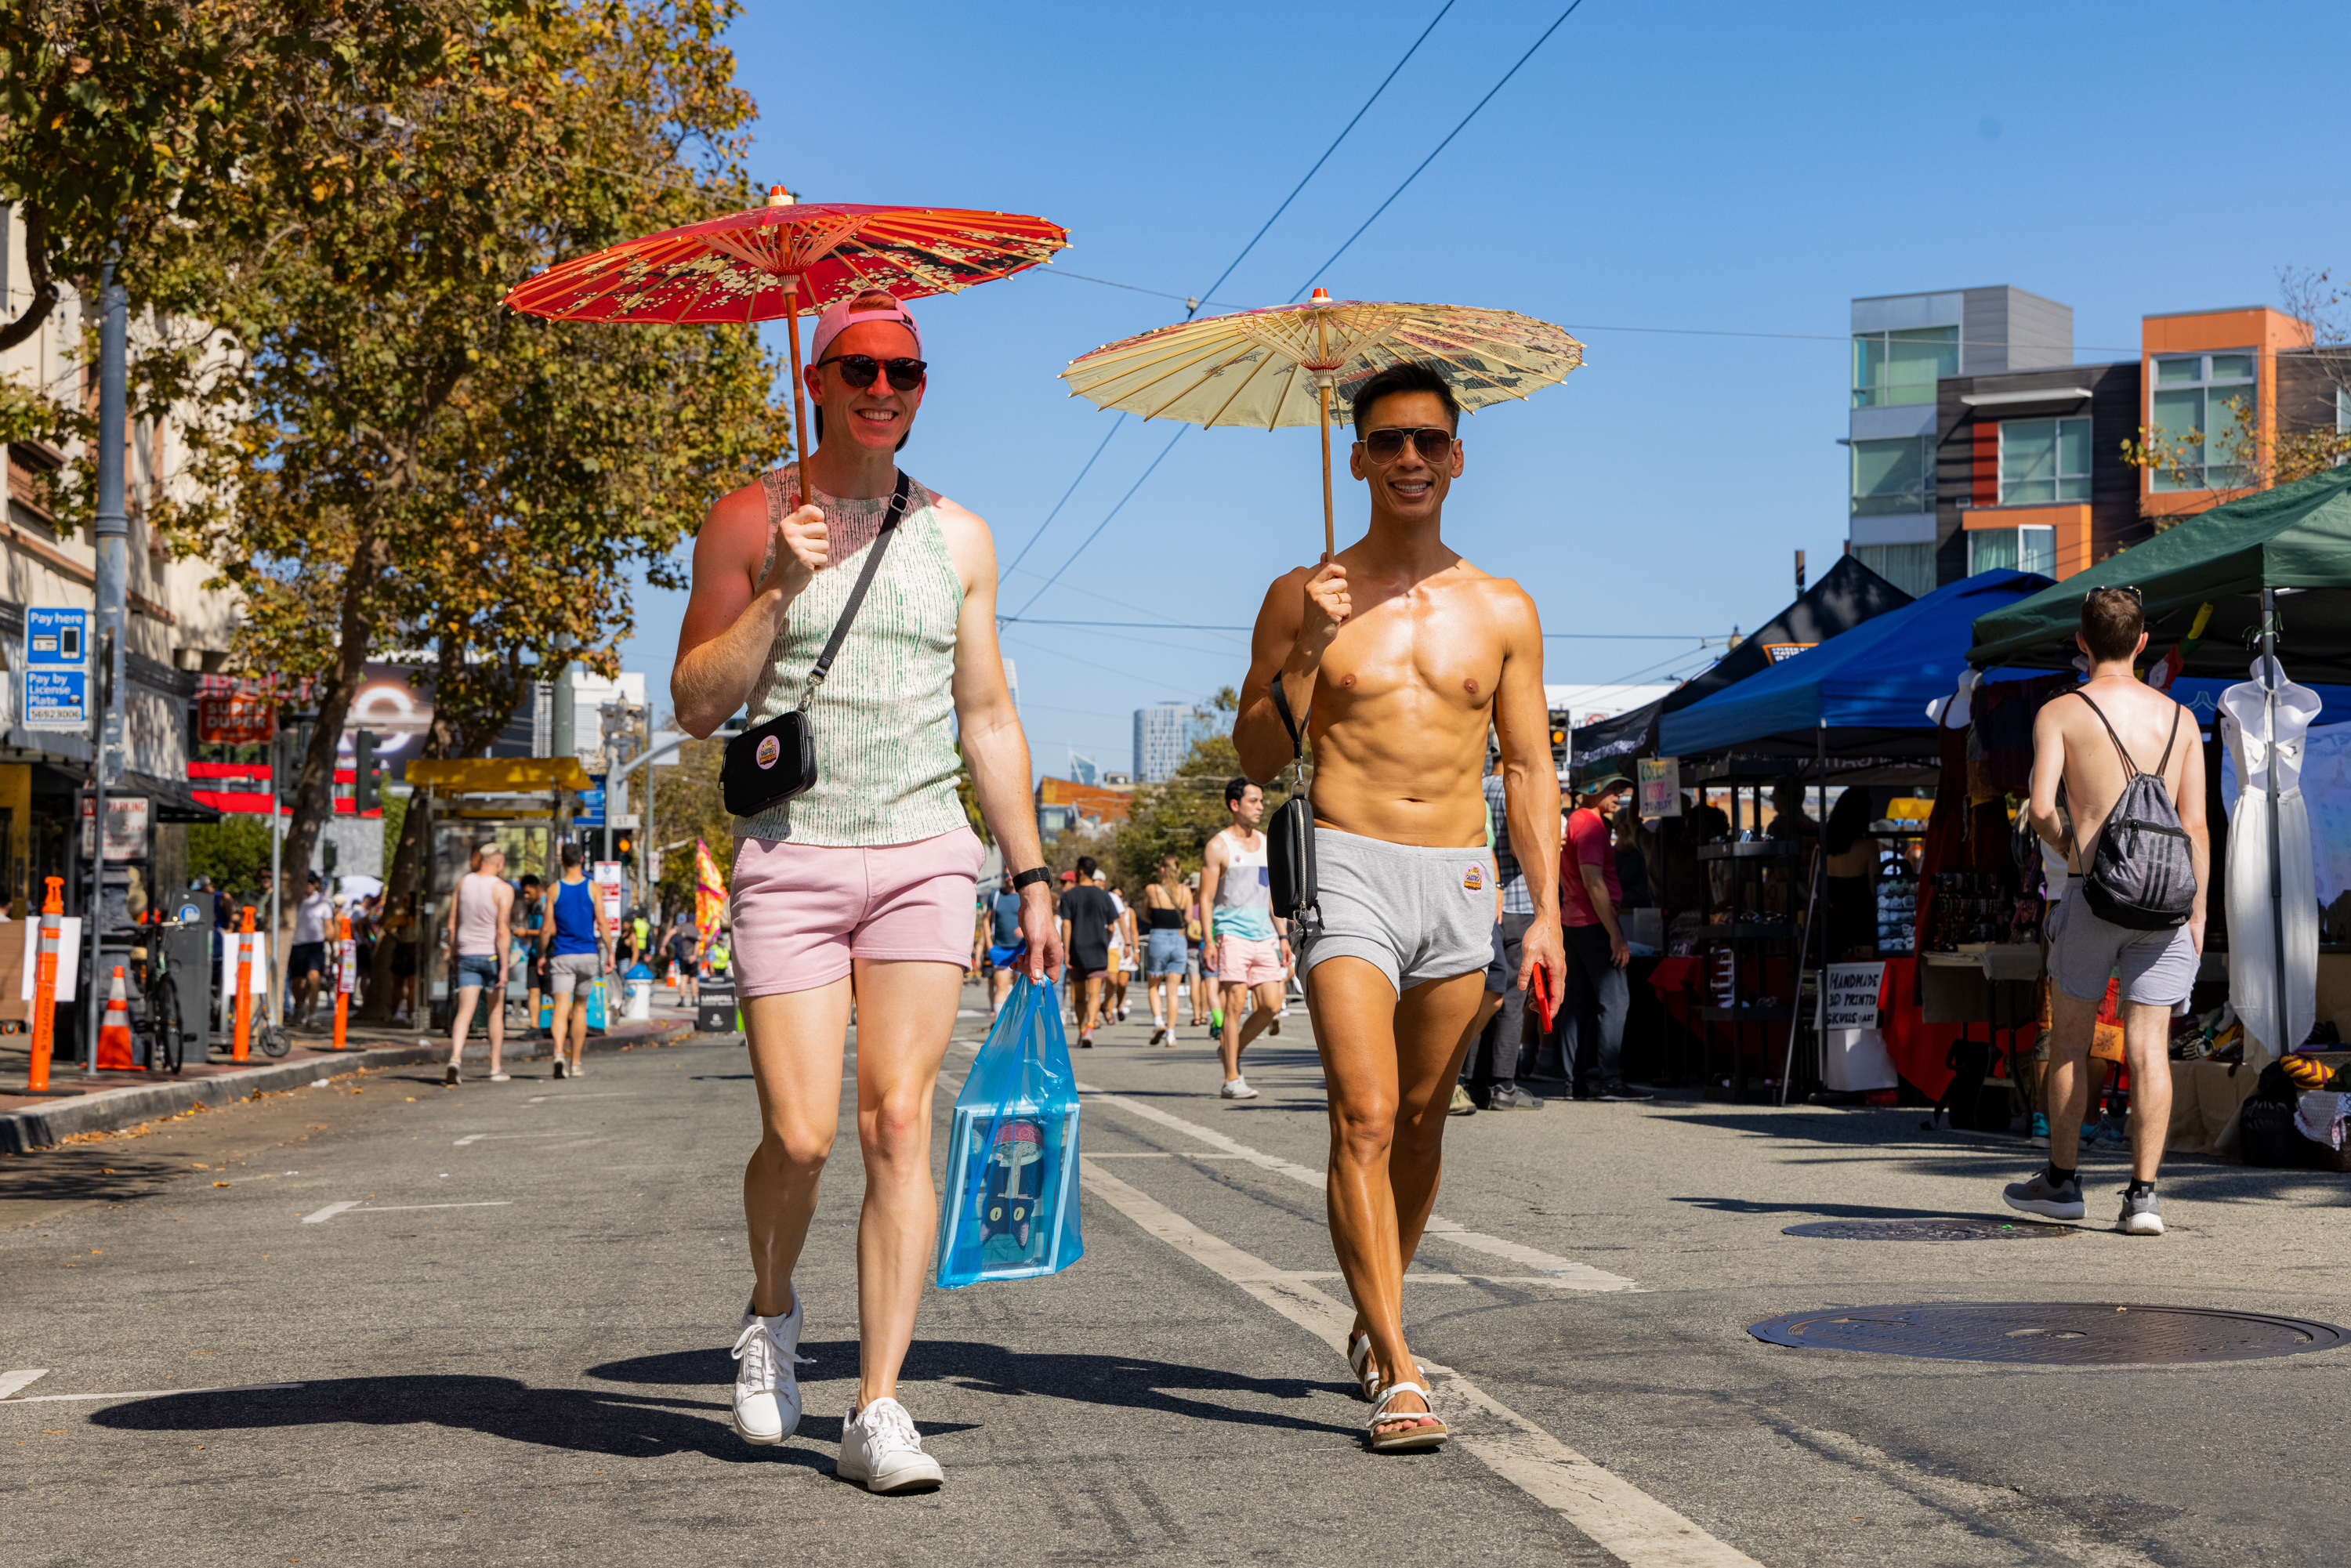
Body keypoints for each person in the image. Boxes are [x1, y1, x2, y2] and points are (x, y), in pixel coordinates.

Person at [672, 287, 1061, 1493]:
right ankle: (771, 1315)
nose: (884, 388)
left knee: (899, 1120)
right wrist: (781, 585)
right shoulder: (749, 516)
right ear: (818, 380)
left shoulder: (961, 535)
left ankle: (879, 1407)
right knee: (801, 1133)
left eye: (906, 370)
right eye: (860, 369)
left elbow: (987, 715)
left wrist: (1031, 870)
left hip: (925, 852)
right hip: (790, 856)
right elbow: (696, 703)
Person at [1234, 360, 1563, 1452]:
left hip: (1459, 879)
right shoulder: (1302, 593)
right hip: (1348, 867)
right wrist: (1310, 653)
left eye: (1429, 441)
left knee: (1424, 1119)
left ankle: (1378, 1308)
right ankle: (1401, 1367)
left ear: (1456, 456)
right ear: (1358, 458)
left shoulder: (1503, 606)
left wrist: (1549, 911)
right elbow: (1253, 750)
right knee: (1365, 1114)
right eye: (1390, 443)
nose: (1411, 460)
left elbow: (1525, 768)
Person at [2009, 585, 2208, 1237]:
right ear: (2144, 642)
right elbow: (2197, 826)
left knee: (2068, 1040)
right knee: (2149, 1049)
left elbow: (2041, 809)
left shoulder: (2060, 712)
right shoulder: (2181, 719)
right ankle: (2143, 1197)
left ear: (2082, 641)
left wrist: (2072, 850)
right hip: (2167, 907)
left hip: (2090, 896)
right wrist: (2199, 912)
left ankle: (2063, 1184)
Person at [1559, 773, 1650, 1103]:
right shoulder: (1593, 825)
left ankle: (1574, 1082)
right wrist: (1615, 934)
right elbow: (1593, 881)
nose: (1619, 796)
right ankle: (1610, 1081)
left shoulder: (1576, 821)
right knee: (1614, 1002)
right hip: (1593, 922)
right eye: (1614, 790)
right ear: (1593, 791)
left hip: (1575, 920)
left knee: (1578, 1005)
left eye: (1622, 791)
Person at [1461, 751, 1542, 1110]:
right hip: (1520, 899)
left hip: (1481, 900)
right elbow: (1530, 841)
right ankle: (1503, 1085)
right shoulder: (1518, 788)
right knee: (1510, 997)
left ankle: (1474, 1081)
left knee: (1480, 991)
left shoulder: (1474, 788)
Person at [1200, 777, 1289, 1099]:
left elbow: (1272, 897)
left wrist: (1283, 936)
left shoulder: (1267, 844)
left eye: (1261, 801)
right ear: (1234, 805)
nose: (1261, 806)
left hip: (1264, 935)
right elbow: (1206, 899)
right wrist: (1210, 941)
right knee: (1234, 1005)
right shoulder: (1218, 846)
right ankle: (1232, 1079)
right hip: (1231, 935)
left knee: (1271, 1005)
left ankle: (1230, 1052)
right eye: (1254, 801)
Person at [444, 842, 513, 1085]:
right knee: (495, 1012)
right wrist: (504, 966)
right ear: (498, 863)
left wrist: (454, 954)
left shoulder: (464, 883)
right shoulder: (503, 889)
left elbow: (452, 924)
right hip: (492, 956)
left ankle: (455, 1058)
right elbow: (502, 931)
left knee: (465, 1011)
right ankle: (495, 1067)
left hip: (466, 954)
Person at [539, 842, 611, 1079]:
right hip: (588, 955)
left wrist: (541, 954)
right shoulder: (593, 888)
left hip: (562, 955)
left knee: (561, 1008)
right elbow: (602, 922)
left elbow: (547, 927)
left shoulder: (554, 890)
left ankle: (559, 1052)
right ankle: (576, 1063)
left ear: (562, 862)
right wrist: (610, 952)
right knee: (580, 1008)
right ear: (582, 859)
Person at [1058, 856, 1117, 1048]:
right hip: (1098, 951)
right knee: (1094, 994)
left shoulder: (1069, 896)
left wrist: (1066, 951)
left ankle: (1082, 1030)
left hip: (1077, 950)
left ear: (1080, 871)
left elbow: (1066, 925)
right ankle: (1090, 1029)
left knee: (1080, 996)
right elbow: (1111, 927)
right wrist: (1105, 943)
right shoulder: (1104, 896)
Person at [1142, 855, 1190, 1045]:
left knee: (1153, 985)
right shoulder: (1185, 891)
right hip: (1179, 939)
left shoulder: (1151, 889)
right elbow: (1187, 917)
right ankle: (1171, 1034)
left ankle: (1158, 1021)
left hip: (1158, 938)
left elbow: (1145, 915)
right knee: (1173, 991)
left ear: (1162, 870)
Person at [975, 870, 1026, 1017]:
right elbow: (986, 919)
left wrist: (1024, 929)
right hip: (1000, 949)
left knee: (1020, 989)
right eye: (1006, 874)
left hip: (1021, 948)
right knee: (1001, 987)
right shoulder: (995, 895)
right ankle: (999, 1025)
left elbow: (1032, 916)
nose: (1009, 877)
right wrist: (990, 945)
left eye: (1012, 874)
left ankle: (1017, 1024)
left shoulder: (1024, 895)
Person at [288, 870, 334, 1027]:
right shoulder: (293, 901)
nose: (308, 884)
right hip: (296, 946)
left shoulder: (323, 902)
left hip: (315, 945)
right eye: (305, 881)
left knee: (314, 978)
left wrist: (333, 948)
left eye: (311, 881)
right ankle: (299, 1006)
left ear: (316, 884)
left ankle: (312, 1015)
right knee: (297, 983)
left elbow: (329, 927)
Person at [513, 875, 548, 1037]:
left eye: (528, 892)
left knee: (555, 992)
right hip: (534, 953)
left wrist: (526, 932)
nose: (526, 896)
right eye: (524, 893)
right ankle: (535, 1028)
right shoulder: (531, 906)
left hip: (549, 954)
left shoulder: (547, 903)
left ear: (537, 887)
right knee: (533, 990)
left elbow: (549, 931)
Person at [667, 916, 702, 1009]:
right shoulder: (696, 930)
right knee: (694, 980)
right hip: (693, 959)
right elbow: (698, 942)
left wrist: (663, 946)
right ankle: (694, 1001)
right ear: (694, 921)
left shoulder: (681, 928)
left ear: (686, 920)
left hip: (683, 958)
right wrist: (694, 956)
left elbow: (670, 933)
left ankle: (682, 1001)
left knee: (684, 979)